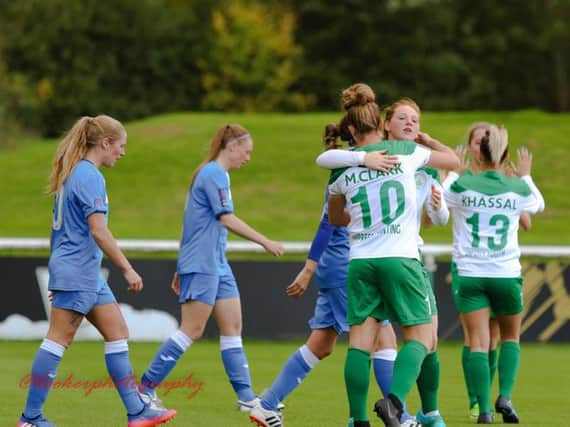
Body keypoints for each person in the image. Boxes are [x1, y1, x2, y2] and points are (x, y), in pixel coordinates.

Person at [17, 115, 177, 427]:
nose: (123, 152)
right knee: (57, 340)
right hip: (78, 270)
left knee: (117, 331)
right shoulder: (89, 176)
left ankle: (137, 411)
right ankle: (31, 418)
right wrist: (127, 269)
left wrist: (58, 270)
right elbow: (99, 231)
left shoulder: (73, 173)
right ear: (104, 143)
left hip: (81, 271)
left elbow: (57, 233)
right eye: (121, 146)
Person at [249, 120, 404, 427]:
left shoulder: (351, 167)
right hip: (346, 268)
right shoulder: (350, 170)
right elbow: (327, 223)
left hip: (339, 268)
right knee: (383, 340)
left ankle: (266, 405)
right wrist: (308, 269)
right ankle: (402, 417)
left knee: (321, 344)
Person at [325, 83, 459, 427]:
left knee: (359, 344)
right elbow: (455, 161)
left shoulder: (341, 167)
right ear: (382, 122)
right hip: (400, 256)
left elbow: (336, 219)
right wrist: (426, 142)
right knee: (423, 337)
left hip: (360, 261)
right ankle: (396, 403)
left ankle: (357, 420)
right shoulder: (404, 151)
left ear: (351, 130)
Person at [138, 124, 284, 416]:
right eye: (247, 150)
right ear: (231, 145)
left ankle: (245, 397)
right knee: (192, 329)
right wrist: (265, 241)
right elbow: (227, 219)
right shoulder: (213, 173)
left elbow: (189, 224)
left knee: (233, 327)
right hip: (203, 263)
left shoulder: (217, 174)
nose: (249, 157)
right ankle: (144, 390)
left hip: (217, 263)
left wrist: (182, 263)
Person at [443, 125, 544, 424]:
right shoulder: (516, 187)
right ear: (505, 154)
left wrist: (453, 172)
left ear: (477, 152)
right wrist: (525, 174)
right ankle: (506, 396)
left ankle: (483, 410)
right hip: (505, 273)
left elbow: (439, 200)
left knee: (476, 341)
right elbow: (537, 205)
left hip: (471, 273)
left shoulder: (463, 185)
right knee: (510, 337)